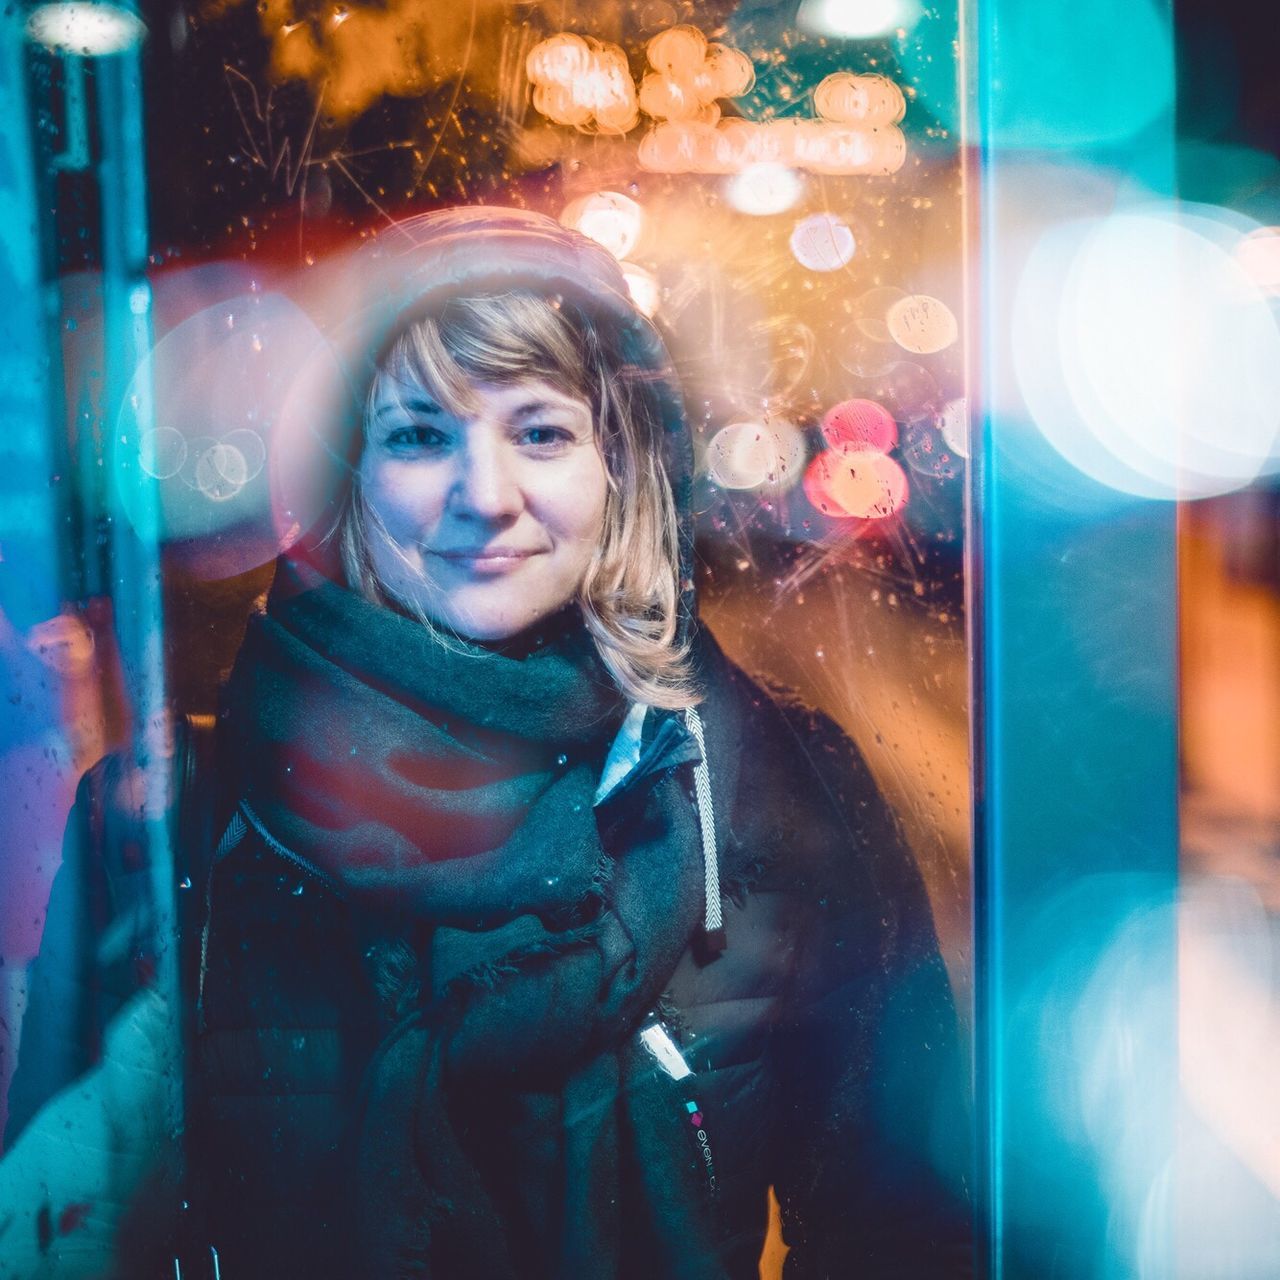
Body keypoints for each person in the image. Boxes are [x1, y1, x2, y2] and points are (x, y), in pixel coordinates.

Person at [6, 207, 971, 1278]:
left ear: (622, 466)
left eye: (540, 431)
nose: (484, 494)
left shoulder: (763, 785)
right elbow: (60, 1237)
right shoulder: (173, 817)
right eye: (419, 434)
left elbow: (898, 1225)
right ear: (345, 476)